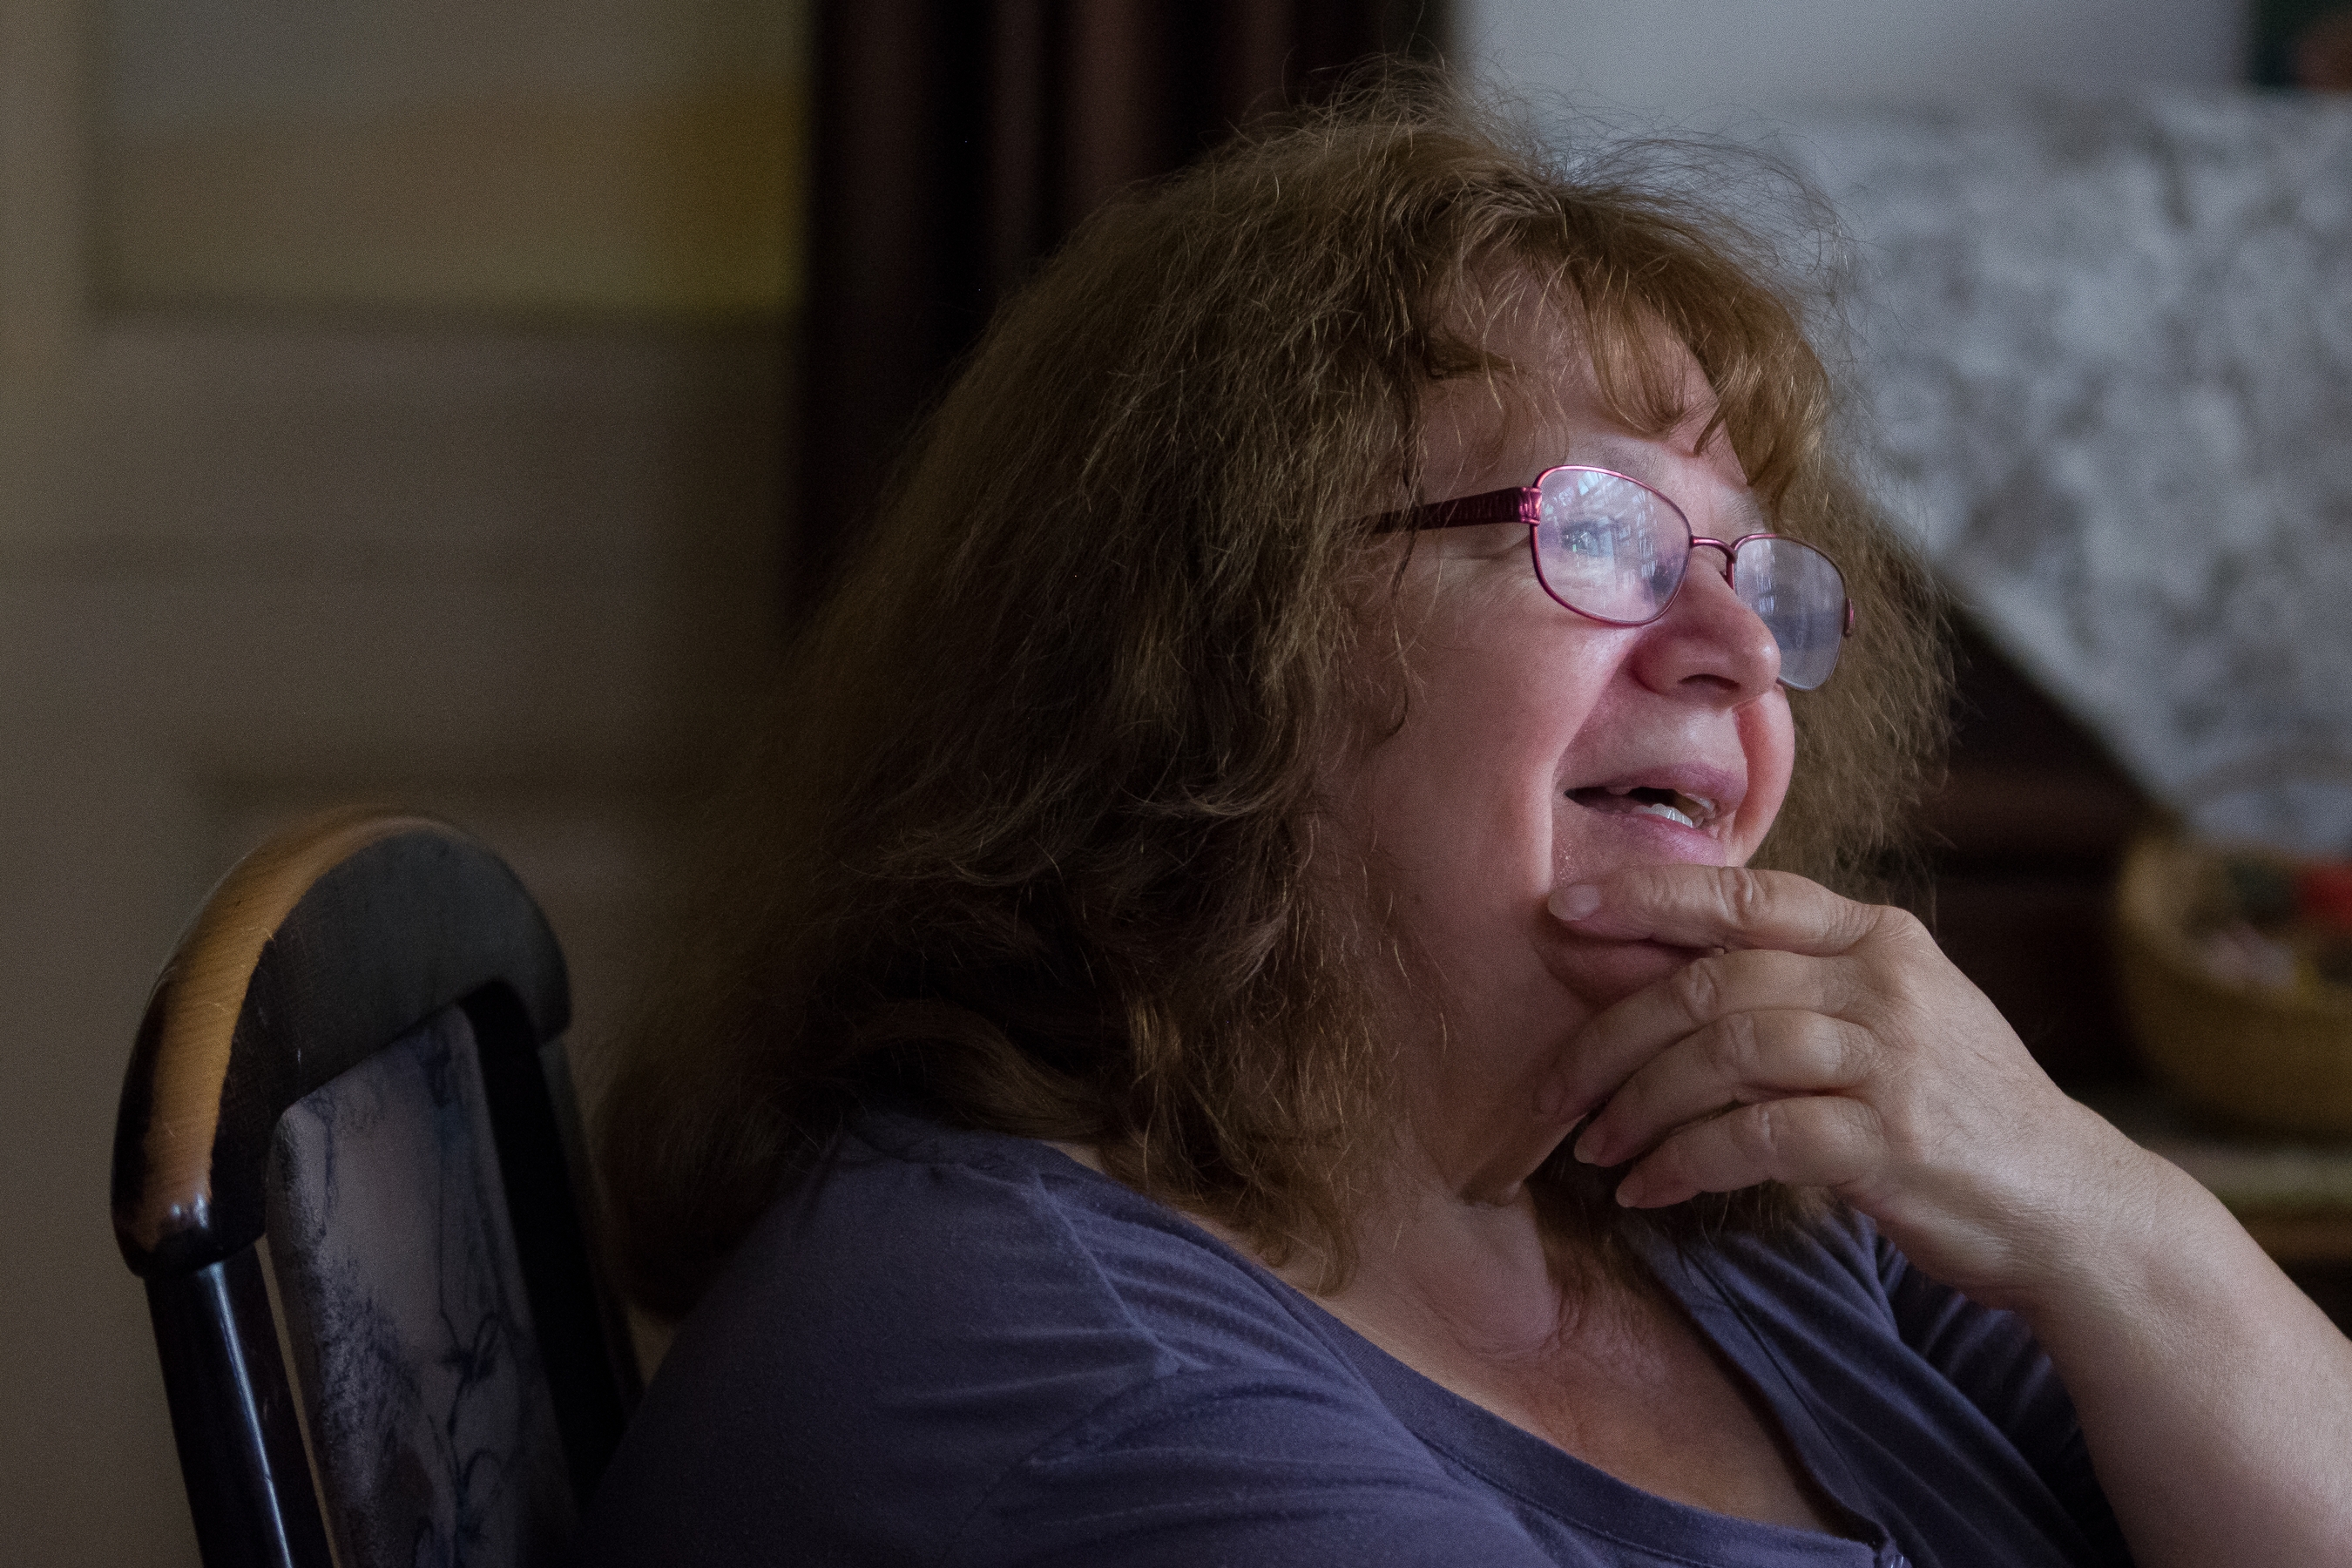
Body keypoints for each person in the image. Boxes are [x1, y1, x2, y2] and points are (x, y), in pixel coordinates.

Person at [580, 88, 2352, 1568]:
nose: (1740, 649)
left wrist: (2098, 1207)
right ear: (1209, 631)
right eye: (1602, 536)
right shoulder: (1049, 1373)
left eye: (1757, 572)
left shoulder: (1748, 1215)